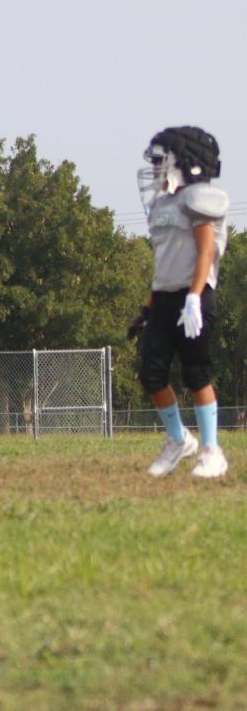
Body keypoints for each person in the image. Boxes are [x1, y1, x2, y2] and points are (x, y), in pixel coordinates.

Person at [134, 127, 229, 479]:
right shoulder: (162, 203)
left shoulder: (201, 199)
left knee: (195, 372)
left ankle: (211, 449)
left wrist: (194, 296)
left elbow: (205, 251)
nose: (156, 168)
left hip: (194, 295)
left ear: (184, 164)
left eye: (161, 161)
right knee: (151, 373)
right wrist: (149, 306)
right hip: (164, 296)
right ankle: (179, 440)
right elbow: (163, 261)